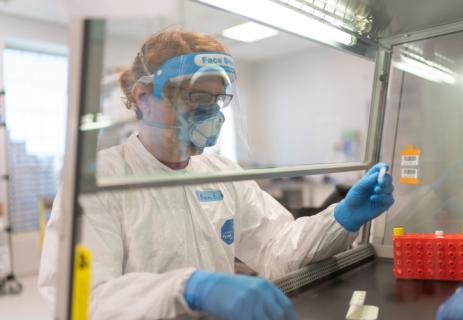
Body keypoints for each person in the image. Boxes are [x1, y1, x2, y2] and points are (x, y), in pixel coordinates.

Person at [38, 29, 394, 320]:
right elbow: (82, 300)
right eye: (193, 98)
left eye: (214, 100)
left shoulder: (220, 173)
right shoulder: (99, 182)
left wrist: (341, 218)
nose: (209, 114)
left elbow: (276, 248)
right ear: (144, 97)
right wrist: (188, 287)